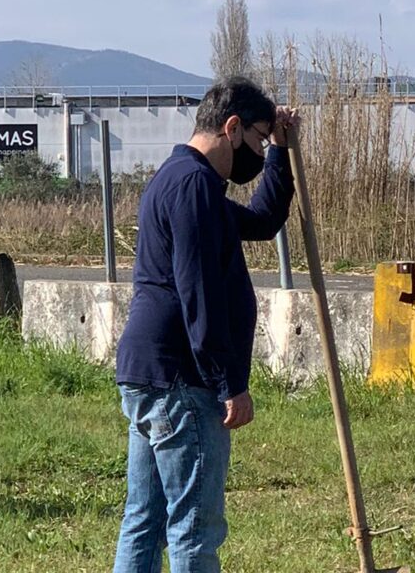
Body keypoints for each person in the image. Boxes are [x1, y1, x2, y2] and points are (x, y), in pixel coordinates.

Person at [112, 76, 299, 572]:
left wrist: (279, 152)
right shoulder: (194, 184)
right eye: (258, 139)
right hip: (182, 379)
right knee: (194, 528)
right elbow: (200, 292)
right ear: (232, 128)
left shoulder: (180, 178)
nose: (259, 150)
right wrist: (228, 383)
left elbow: (260, 221)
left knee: (145, 521)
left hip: (147, 372)